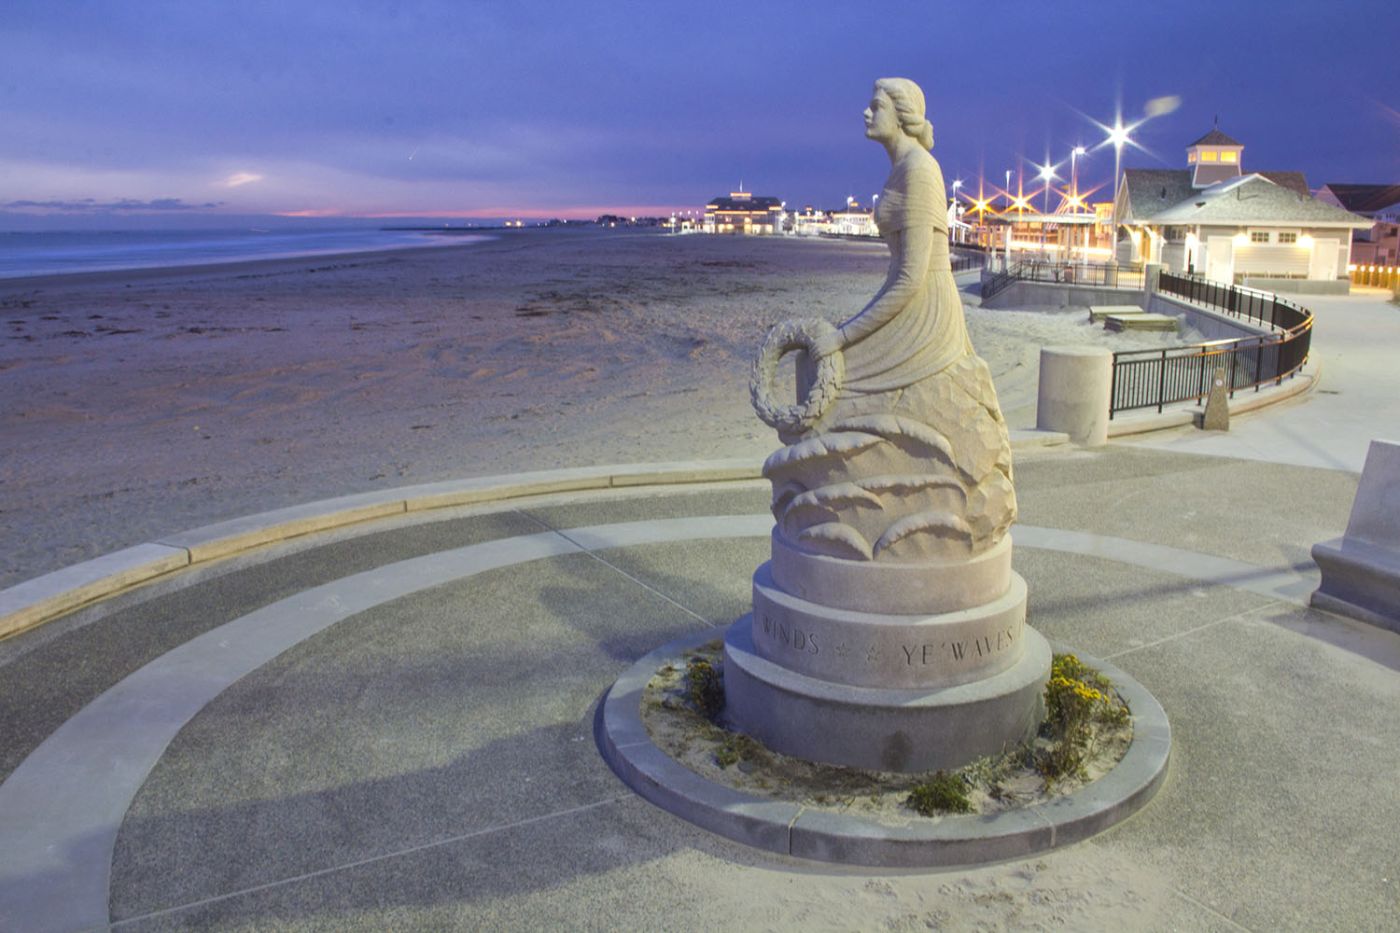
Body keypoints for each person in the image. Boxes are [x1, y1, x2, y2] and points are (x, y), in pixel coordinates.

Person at [755, 78, 1015, 561]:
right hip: (908, 297)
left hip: (925, 314)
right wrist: (845, 331)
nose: (865, 113)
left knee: (821, 369)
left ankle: (837, 497)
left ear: (902, 114)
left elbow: (913, 277)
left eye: (875, 106)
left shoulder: (920, 171)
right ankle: (823, 498)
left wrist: (845, 335)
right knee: (814, 366)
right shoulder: (900, 171)